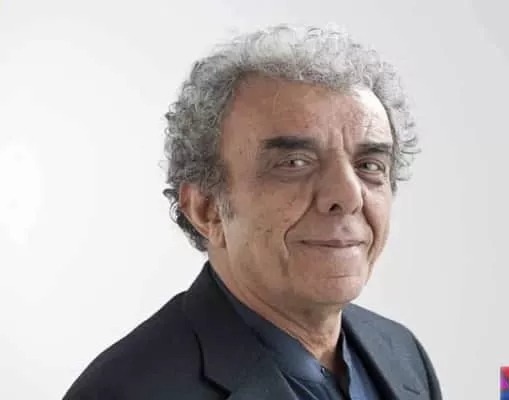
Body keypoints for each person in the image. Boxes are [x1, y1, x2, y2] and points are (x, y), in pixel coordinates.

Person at [64, 24, 442, 399]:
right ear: (207, 209)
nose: (348, 195)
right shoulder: (124, 392)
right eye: (294, 163)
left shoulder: (402, 354)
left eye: (370, 165)